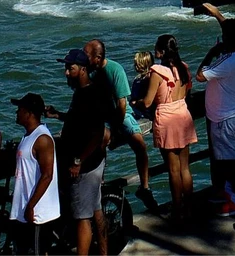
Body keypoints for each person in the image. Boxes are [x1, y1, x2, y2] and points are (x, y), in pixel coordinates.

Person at [82, 39, 153, 211]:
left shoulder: (115, 70)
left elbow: (122, 104)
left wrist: (115, 127)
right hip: (101, 115)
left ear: (97, 57)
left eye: (87, 54)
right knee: (100, 142)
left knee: (140, 145)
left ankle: (144, 187)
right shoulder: (88, 73)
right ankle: (101, 182)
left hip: (121, 114)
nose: (84, 57)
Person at [52, 48, 111, 255]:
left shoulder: (89, 95)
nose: (66, 72)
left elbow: (96, 134)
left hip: (85, 166)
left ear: (83, 69)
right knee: (95, 212)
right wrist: (59, 115)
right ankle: (104, 253)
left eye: (71, 68)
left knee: (81, 218)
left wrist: (78, 160)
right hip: (93, 163)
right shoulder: (84, 92)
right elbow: (81, 122)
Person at [196, 3, 235, 217]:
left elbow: (200, 75)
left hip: (225, 118)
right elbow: (231, 31)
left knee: (229, 161)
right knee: (231, 157)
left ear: (226, 40)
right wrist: (217, 15)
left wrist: (212, 52)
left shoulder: (228, 61)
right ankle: (228, 193)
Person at [138, 35, 196, 224]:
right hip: (183, 113)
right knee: (185, 168)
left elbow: (148, 101)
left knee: (173, 169)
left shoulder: (158, 71)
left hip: (167, 118)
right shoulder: (184, 67)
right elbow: (188, 91)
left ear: (161, 51)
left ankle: (177, 210)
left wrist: (136, 101)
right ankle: (189, 207)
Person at [10, 94, 60, 256]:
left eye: (20, 109)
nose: (17, 113)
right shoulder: (28, 136)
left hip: (38, 211)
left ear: (29, 113)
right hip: (26, 208)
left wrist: (31, 205)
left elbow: (47, 175)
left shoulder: (42, 138)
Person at [130, 52, 154, 120]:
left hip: (144, 111)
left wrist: (135, 103)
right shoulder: (138, 78)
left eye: (138, 64)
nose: (135, 66)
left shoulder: (149, 79)